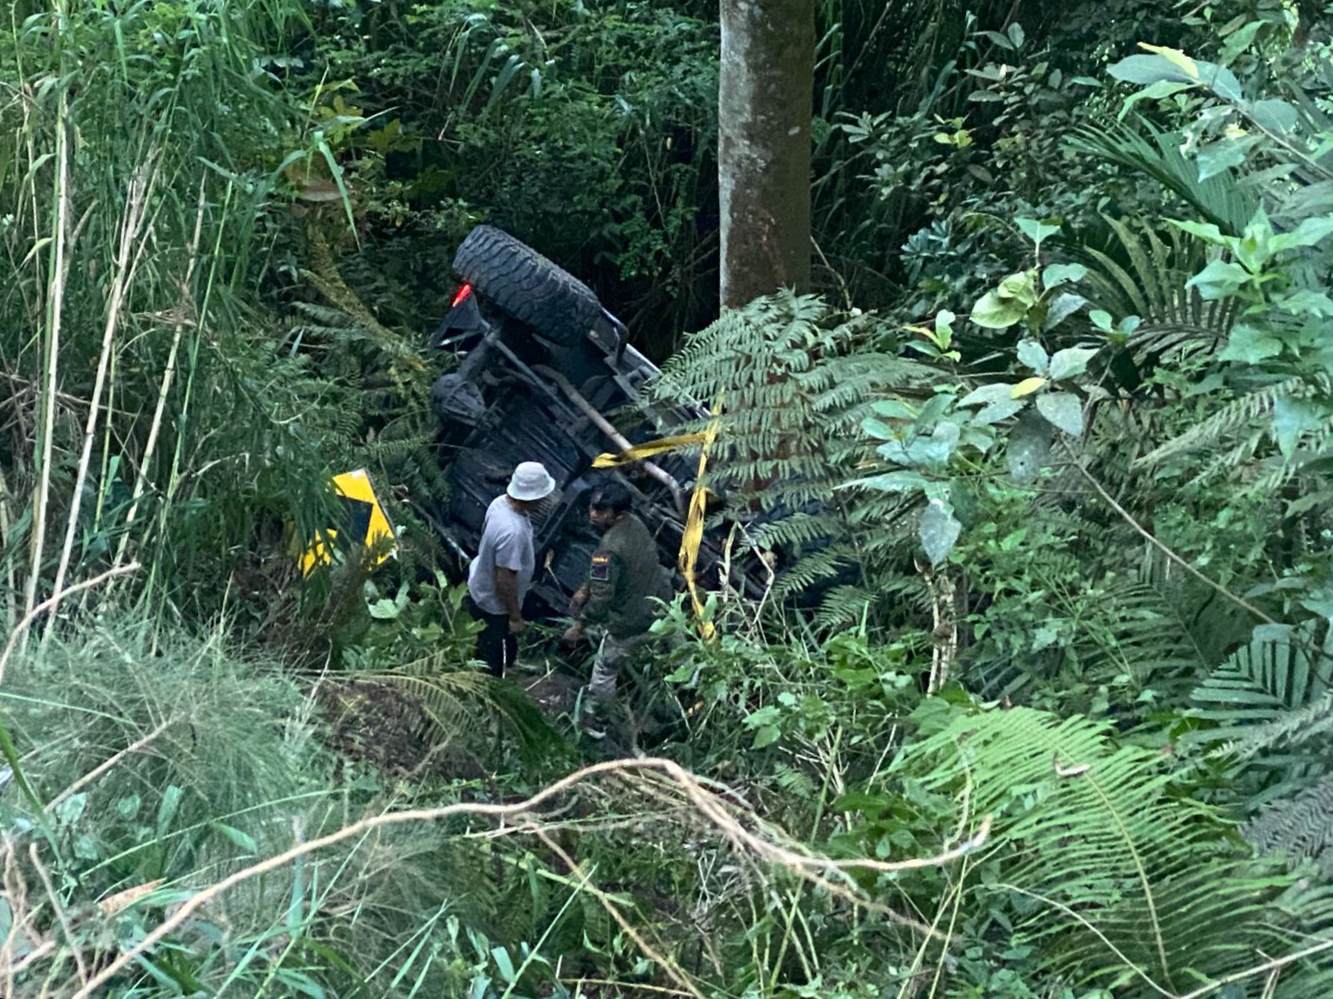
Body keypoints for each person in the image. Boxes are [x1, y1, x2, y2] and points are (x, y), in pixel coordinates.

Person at [562, 480, 672, 724]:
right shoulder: (636, 525)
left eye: (600, 511)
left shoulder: (608, 549)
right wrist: (585, 588)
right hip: (660, 606)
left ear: (617, 514)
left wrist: (579, 625)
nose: (593, 514)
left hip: (631, 622)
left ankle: (597, 722)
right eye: (592, 507)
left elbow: (602, 600)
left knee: (604, 671)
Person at [466, 460, 556, 676]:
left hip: (480, 582)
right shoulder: (512, 532)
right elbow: (504, 581)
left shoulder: (499, 503)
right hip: (494, 604)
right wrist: (515, 616)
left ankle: (512, 662)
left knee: (502, 640)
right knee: (490, 657)